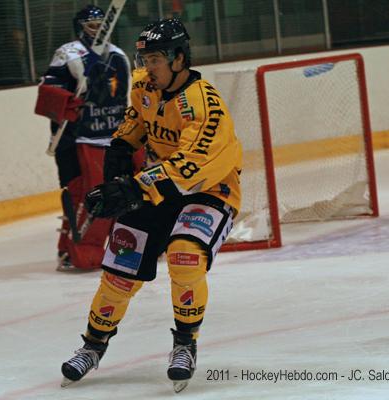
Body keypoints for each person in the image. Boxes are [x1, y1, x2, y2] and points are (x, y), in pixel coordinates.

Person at [60, 18, 243, 392]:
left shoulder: (204, 104)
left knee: (185, 255)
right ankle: (93, 345)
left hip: (209, 190)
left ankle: (185, 344)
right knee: (120, 267)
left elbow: (189, 168)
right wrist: (119, 154)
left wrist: (132, 188)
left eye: (155, 59)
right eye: (144, 59)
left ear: (179, 59)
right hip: (156, 187)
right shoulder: (145, 86)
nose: (147, 67)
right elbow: (135, 126)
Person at [35, 4, 138, 271]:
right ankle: (75, 251)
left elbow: (122, 99)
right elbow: (47, 91)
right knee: (83, 194)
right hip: (77, 140)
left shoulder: (118, 55)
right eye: (92, 26)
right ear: (80, 27)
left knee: (124, 192)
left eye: (102, 25)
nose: (98, 31)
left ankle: (129, 244)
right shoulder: (67, 54)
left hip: (112, 138)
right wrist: (67, 101)